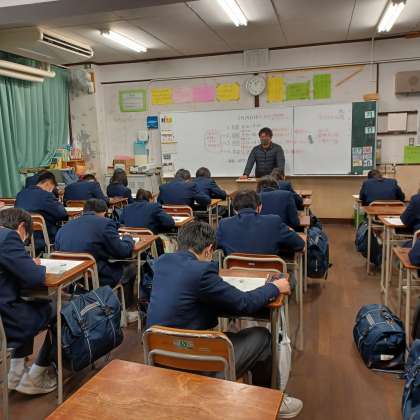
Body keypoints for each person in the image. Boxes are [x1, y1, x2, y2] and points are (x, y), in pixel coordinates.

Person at [146, 221, 303, 418]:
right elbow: (244, 303)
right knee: (263, 337)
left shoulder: (162, 262)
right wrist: (274, 287)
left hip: (159, 357)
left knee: (226, 335)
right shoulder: (202, 272)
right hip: (194, 361)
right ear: (209, 250)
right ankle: (268, 402)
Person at [0, 208, 56, 395]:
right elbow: (34, 278)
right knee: (58, 308)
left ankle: (15, 373)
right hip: (7, 322)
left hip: (5, 311)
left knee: (27, 303)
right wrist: (33, 265)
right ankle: (36, 375)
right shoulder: (8, 237)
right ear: (22, 227)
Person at [54, 199, 136, 315]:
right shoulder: (105, 223)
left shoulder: (64, 228)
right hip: (96, 275)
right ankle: (124, 312)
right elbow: (123, 251)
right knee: (131, 266)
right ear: (103, 212)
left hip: (70, 279)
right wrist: (128, 238)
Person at [216, 190, 305, 256]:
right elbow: (300, 244)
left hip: (234, 274)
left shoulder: (224, 224)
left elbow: (214, 246)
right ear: (260, 207)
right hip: (268, 274)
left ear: (235, 210)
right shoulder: (273, 221)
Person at [15, 171, 68, 247]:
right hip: (43, 237)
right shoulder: (46, 195)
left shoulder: (20, 194)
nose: (51, 192)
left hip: (23, 236)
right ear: (47, 184)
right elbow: (63, 215)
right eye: (52, 189)